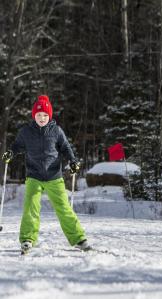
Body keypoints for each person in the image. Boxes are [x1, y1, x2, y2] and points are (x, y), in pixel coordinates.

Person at [2, 95, 91, 253]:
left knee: (64, 208)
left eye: (45, 115)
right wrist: (10, 152)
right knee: (31, 207)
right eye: (38, 115)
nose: (41, 118)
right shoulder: (26, 132)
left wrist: (72, 161)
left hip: (54, 177)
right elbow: (17, 146)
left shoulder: (56, 131)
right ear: (33, 116)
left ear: (49, 116)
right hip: (34, 176)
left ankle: (78, 238)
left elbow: (66, 148)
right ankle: (27, 239)